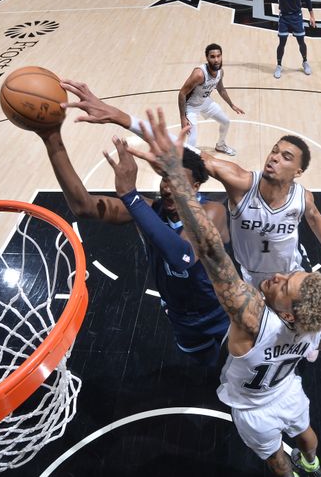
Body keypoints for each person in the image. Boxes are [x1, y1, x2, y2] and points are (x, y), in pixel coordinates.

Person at [128, 109, 321, 477]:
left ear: (289, 314)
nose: (276, 278)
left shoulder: (250, 317)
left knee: (275, 458)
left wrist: (177, 178)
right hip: (287, 391)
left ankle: (295, 472)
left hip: (254, 407)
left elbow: (210, 249)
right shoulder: (315, 327)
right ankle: (313, 463)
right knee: (306, 434)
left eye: (283, 284)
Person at [52, 81, 321, 302]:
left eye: (286, 157)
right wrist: (121, 117)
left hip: (292, 271)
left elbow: (314, 218)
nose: (274, 157)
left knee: (318, 333)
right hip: (252, 279)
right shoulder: (238, 181)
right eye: (274, 151)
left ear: (298, 172)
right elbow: (185, 151)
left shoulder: (303, 198)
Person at [38, 80, 231, 366]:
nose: (167, 187)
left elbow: (184, 257)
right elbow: (84, 207)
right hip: (182, 317)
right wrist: (52, 138)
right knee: (203, 367)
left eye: (177, 181)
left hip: (223, 311)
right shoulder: (147, 210)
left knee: (234, 369)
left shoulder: (213, 212)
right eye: (165, 178)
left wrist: (130, 195)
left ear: (197, 186)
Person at [233, 0, 316, 79]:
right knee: (282, 43)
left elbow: (308, 0)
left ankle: (304, 62)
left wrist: (312, 16)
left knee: (301, 42)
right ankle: (278, 65)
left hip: (296, 17)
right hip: (284, 17)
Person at [178, 43, 244, 156]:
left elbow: (221, 89)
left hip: (205, 102)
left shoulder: (220, 72)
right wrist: (183, 118)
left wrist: (232, 105)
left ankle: (220, 145)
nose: (216, 59)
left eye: (218, 56)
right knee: (192, 139)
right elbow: (182, 93)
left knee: (225, 122)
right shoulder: (199, 74)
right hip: (191, 107)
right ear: (207, 58)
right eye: (212, 57)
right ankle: (186, 164)